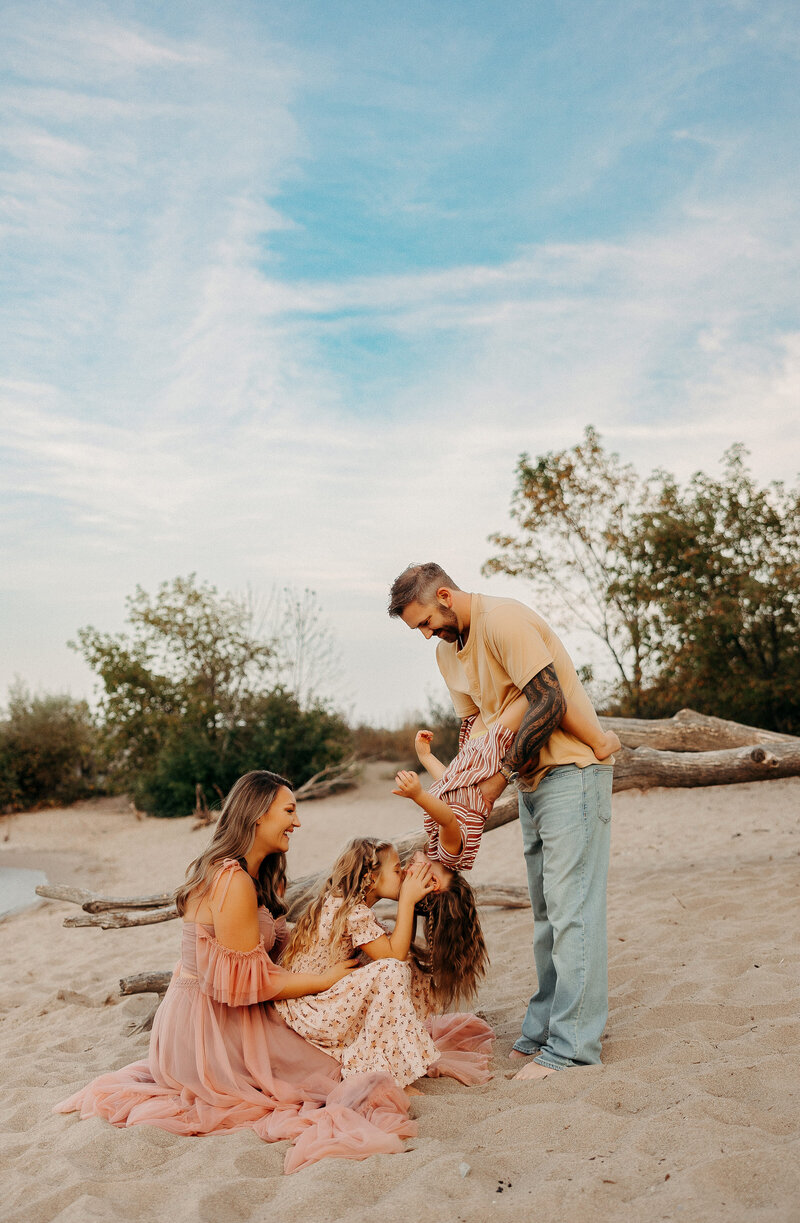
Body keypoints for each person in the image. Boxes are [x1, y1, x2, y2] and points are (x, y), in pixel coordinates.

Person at [54, 771, 419, 1173]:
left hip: (217, 1011)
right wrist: (328, 978)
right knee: (332, 1076)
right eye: (289, 810)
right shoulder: (232, 880)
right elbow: (253, 982)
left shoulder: (253, 874)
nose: (297, 822)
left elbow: (273, 946)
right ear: (258, 815)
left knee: (340, 1050)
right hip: (208, 1026)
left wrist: (334, 936)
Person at [388, 562, 616, 1082]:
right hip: (531, 784)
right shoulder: (449, 653)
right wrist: (467, 782)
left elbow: (549, 700)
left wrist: (498, 778)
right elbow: (474, 728)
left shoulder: (505, 620)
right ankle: (542, 1030)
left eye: (426, 622)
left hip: (572, 772)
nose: (427, 635)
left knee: (572, 911)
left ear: (444, 595)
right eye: (418, 630)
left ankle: (573, 1047)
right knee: (545, 915)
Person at [278, 838, 494, 1087]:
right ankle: (379, 1070)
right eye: (396, 870)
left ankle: (391, 1059)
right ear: (371, 878)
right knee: (392, 968)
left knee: (408, 970)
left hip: (322, 1001)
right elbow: (393, 958)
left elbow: (399, 951)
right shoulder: (352, 912)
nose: (403, 872)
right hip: (310, 1010)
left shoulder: (354, 908)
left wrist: (408, 904)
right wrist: (407, 902)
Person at [393, 688, 619, 871]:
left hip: (474, 756)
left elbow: (448, 784)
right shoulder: (451, 857)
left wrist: (425, 756)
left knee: (486, 691)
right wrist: (418, 795)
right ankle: (601, 743)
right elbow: (448, 819)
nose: (405, 869)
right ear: (433, 884)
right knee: (540, 692)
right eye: (408, 875)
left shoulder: (436, 847)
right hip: (489, 759)